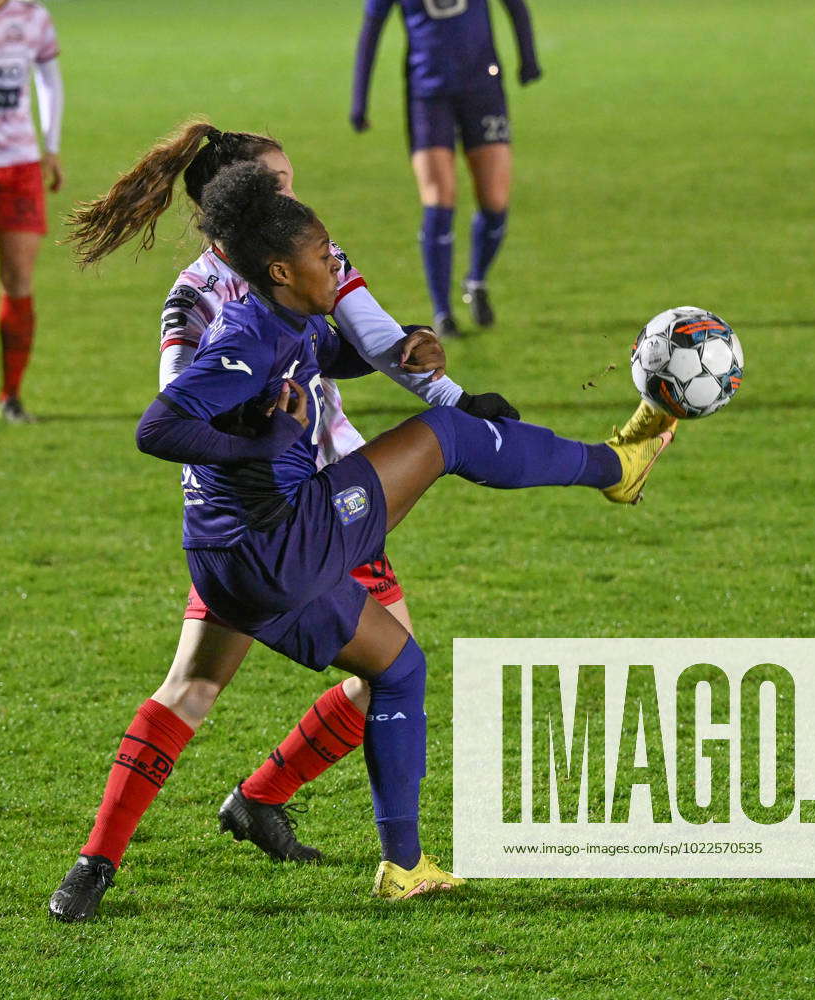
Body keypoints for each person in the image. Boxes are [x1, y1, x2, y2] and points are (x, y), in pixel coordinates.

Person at [92, 162, 675, 903]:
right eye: (319, 243)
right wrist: (256, 447)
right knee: (444, 439)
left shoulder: (283, 307)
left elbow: (328, 350)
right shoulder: (224, 315)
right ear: (270, 252)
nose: (334, 258)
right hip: (285, 533)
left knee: (396, 669)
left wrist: (406, 348)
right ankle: (615, 466)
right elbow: (164, 419)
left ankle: (401, 866)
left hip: (239, 550)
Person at [49, 123, 520, 922]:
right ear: (232, 209)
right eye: (277, 187)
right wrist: (260, 436)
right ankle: (177, 832)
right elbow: (177, 405)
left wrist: (421, 364)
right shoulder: (200, 297)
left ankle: (157, 840)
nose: (293, 199)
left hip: (307, 509)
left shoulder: (297, 261)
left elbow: (351, 343)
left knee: (221, 684)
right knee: (371, 674)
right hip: (280, 519)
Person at [350, 0, 540, 338]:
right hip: (428, 95)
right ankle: (443, 313)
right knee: (438, 201)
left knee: (495, 202)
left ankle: (476, 279)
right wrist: (359, 100)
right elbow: (371, 30)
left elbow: (515, 5)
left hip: (483, 88)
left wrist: (528, 57)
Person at [0, 0, 64, 422]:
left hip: (19, 164)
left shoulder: (32, 17)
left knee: (17, 278)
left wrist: (51, 145)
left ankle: (10, 395)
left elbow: (48, 77)